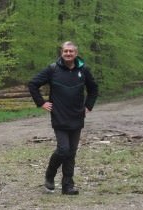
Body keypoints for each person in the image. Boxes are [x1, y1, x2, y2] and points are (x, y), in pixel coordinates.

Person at [28, 41, 98, 195]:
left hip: (77, 116)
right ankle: (50, 175)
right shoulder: (53, 69)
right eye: (65, 51)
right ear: (61, 52)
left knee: (71, 152)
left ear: (76, 53)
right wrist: (41, 103)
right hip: (59, 116)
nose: (68, 54)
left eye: (71, 51)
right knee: (63, 149)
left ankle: (68, 185)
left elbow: (93, 89)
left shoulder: (83, 70)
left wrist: (88, 106)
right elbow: (33, 84)